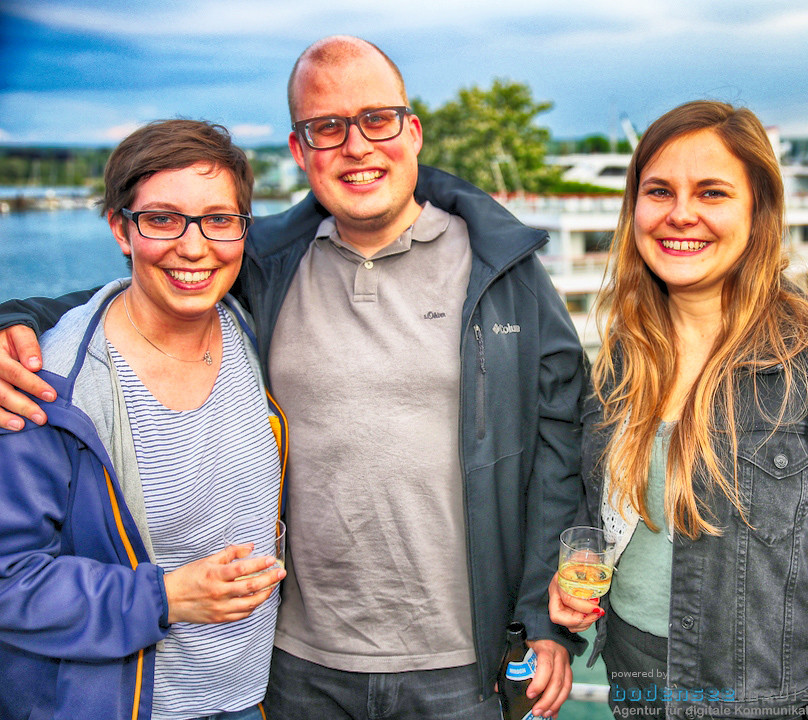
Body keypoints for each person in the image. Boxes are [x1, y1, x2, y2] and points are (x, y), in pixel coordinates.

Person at [0, 36, 585, 720]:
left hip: (463, 666)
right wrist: (15, 316)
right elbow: (153, 287)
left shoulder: (505, 274)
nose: (357, 146)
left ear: (412, 131)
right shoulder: (268, 265)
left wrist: (543, 626)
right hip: (294, 667)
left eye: (377, 120)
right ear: (300, 148)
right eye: (326, 128)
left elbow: (559, 450)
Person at [547, 101, 808, 719]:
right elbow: (595, 506)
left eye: (712, 192)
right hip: (637, 689)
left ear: (759, 213)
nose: (680, 214)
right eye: (658, 191)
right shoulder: (626, 356)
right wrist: (572, 575)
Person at [0, 119, 287, 720]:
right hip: (126, 705)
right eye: (162, 219)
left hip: (252, 699)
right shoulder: (46, 384)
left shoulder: (254, 329)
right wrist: (165, 597)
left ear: (242, 229)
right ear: (119, 228)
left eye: (218, 218)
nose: (193, 245)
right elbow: (9, 580)